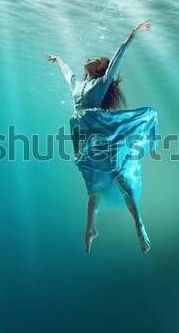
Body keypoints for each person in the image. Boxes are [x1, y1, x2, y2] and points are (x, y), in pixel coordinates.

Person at [47, 20, 159, 254]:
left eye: (95, 58)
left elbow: (118, 57)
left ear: (100, 68)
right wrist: (59, 60)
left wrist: (132, 34)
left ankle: (139, 224)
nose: (89, 58)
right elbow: (67, 74)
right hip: (79, 130)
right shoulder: (78, 85)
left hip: (97, 127)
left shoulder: (101, 82)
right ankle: (91, 228)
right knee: (92, 178)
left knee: (116, 175)